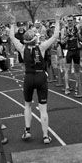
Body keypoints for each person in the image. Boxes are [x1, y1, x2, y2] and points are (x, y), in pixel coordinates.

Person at [7, 9, 62, 144]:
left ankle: (27, 131)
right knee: (43, 109)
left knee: (27, 105)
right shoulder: (42, 47)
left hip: (29, 78)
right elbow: (55, 36)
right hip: (41, 77)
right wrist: (57, 20)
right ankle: (45, 136)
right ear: (35, 38)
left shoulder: (22, 48)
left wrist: (12, 24)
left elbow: (12, 37)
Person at [61, 15, 82, 95]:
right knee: (67, 70)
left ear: (74, 21)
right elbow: (62, 42)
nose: (70, 22)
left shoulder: (76, 27)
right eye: (68, 20)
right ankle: (67, 87)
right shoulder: (64, 30)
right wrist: (66, 38)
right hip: (68, 51)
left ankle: (77, 85)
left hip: (76, 50)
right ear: (66, 21)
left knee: (77, 70)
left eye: (71, 20)